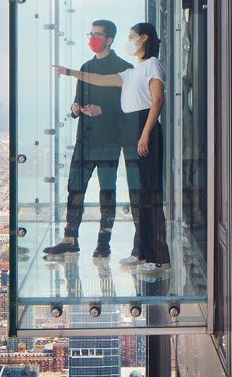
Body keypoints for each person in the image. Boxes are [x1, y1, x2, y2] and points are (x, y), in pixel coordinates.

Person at [54, 22, 171, 277]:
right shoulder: (132, 71)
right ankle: (142, 252)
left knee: (149, 195)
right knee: (139, 196)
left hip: (142, 130)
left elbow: (158, 100)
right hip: (131, 133)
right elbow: (100, 80)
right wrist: (71, 72)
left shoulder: (152, 64)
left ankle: (158, 257)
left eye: (131, 37)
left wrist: (145, 133)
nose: (129, 41)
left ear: (143, 38)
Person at [43, 20, 134, 258]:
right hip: (84, 140)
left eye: (97, 35)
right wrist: (75, 108)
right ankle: (70, 239)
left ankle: (104, 243)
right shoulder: (86, 66)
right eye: (90, 34)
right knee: (75, 189)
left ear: (109, 39)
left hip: (109, 141)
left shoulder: (124, 68)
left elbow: (129, 109)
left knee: (107, 191)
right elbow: (78, 100)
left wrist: (102, 110)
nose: (92, 39)